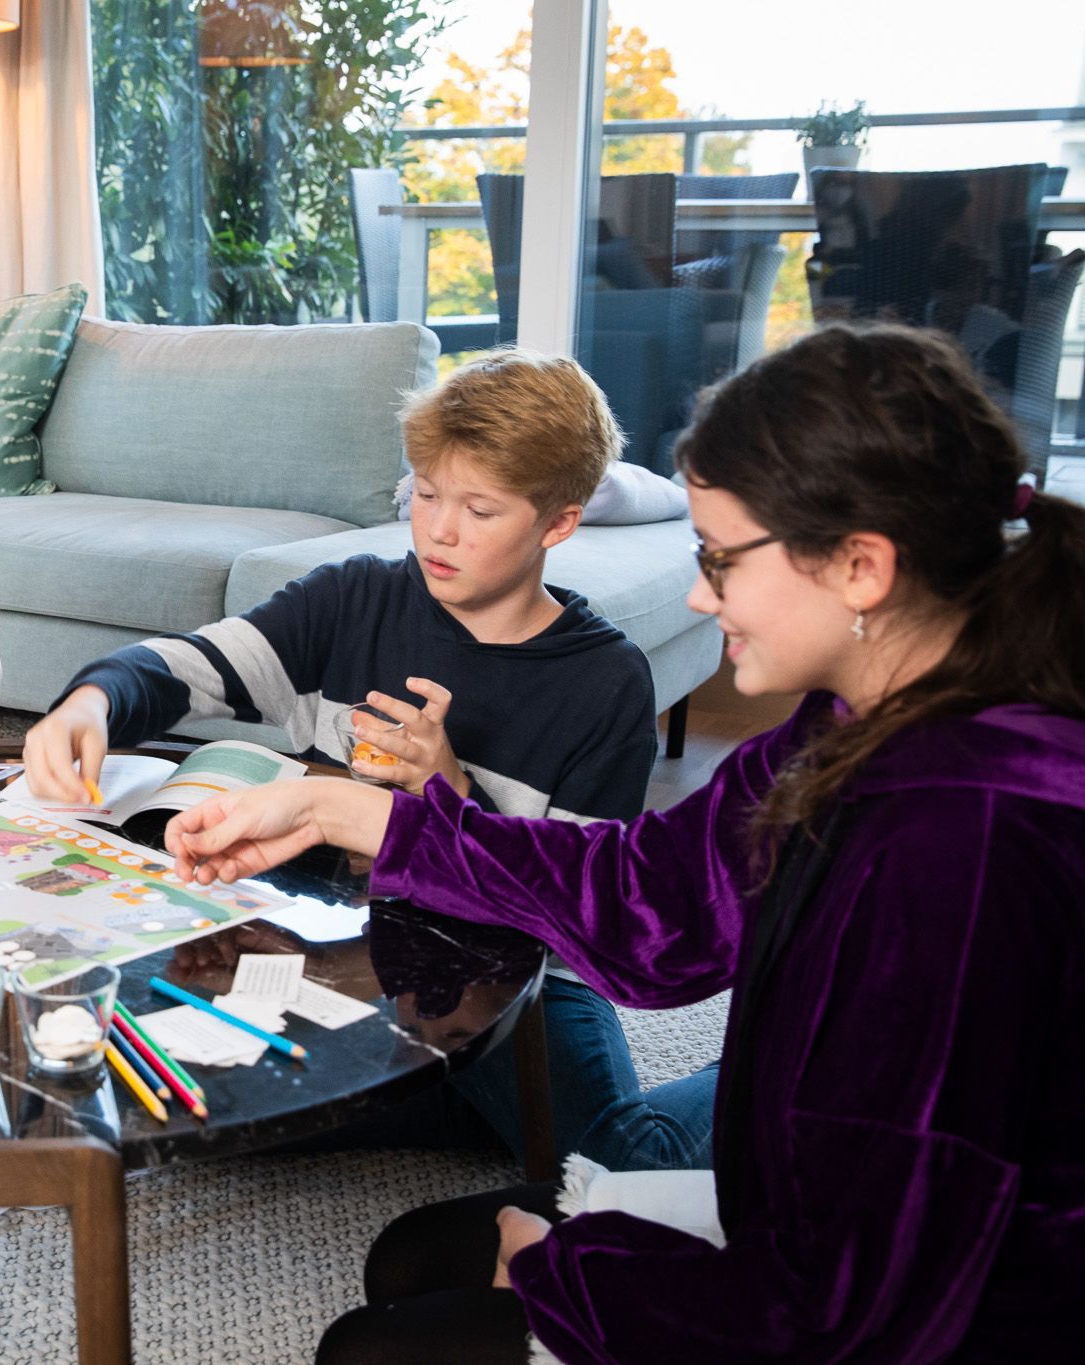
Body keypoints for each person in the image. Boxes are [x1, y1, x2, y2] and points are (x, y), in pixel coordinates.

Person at [161, 323, 1085, 1362]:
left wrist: (557, 1272)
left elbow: (852, 1311)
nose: (697, 594)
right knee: (417, 1260)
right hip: (814, 1203)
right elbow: (655, 901)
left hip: (938, 1307)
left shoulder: (965, 846)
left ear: (859, 567)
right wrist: (344, 810)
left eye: (719, 558)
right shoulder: (850, 719)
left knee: (374, 1347)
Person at [25, 348, 716, 1173]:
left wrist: (447, 791)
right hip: (341, 940)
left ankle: (749, 1080)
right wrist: (89, 700)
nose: (439, 529)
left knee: (611, 1162)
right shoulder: (353, 597)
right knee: (186, 1103)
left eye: (481, 510)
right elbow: (187, 665)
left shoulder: (603, 683)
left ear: (558, 523)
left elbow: (578, 917)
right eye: (424, 494)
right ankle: (453, 1100)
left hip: (522, 974)